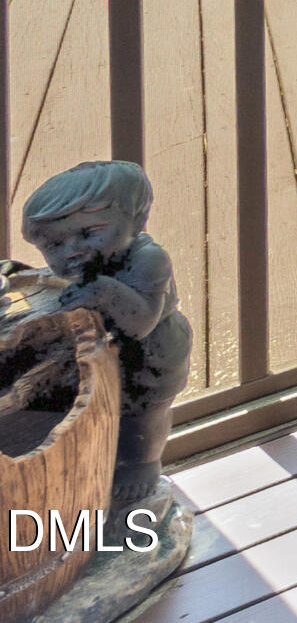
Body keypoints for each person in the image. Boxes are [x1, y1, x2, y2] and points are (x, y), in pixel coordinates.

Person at [22, 162, 188, 510]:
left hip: (151, 357)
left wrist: (103, 292)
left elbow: (141, 321)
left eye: (89, 233)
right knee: (96, 413)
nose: (72, 250)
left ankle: (144, 463)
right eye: (53, 245)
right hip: (105, 355)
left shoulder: (148, 259)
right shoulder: (90, 263)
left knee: (142, 416)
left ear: (138, 221)